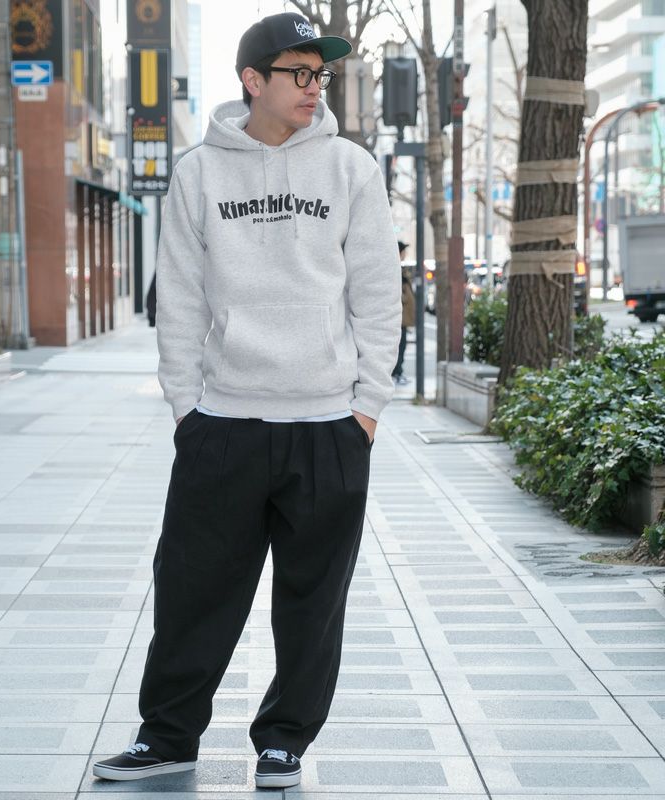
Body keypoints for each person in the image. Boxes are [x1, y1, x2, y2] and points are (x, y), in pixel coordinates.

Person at [93, 12, 400, 790]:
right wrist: (185, 410)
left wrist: (366, 409)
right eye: (297, 72)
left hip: (327, 426)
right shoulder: (198, 173)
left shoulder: (351, 169)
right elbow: (180, 299)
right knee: (192, 591)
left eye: (320, 73)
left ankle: (284, 742)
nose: (313, 86)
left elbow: (377, 293)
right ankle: (168, 738)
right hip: (223, 424)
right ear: (252, 81)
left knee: (312, 602)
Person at [391, 241, 416, 386]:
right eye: (403, 251)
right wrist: (405, 297)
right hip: (399, 318)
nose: (404, 254)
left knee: (402, 346)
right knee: (399, 347)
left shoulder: (400, 269)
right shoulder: (394, 270)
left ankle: (398, 372)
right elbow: (395, 293)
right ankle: (396, 373)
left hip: (403, 318)